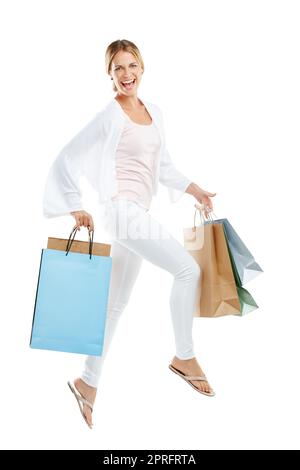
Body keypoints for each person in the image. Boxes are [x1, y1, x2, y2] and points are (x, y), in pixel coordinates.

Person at [43, 39, 217, 429]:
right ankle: (184, 356)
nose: (126, 75)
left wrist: (196, 189)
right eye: (118, 68)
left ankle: (87, 383)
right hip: (120, 212)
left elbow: (164, 166)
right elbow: (66, 156)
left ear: (142, 68)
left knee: (114, 307)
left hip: (136, 213)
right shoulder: (110, 115)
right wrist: (74, 203)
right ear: (110, 74)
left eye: (132, 66)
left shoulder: (153, 112)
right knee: (189, 271)